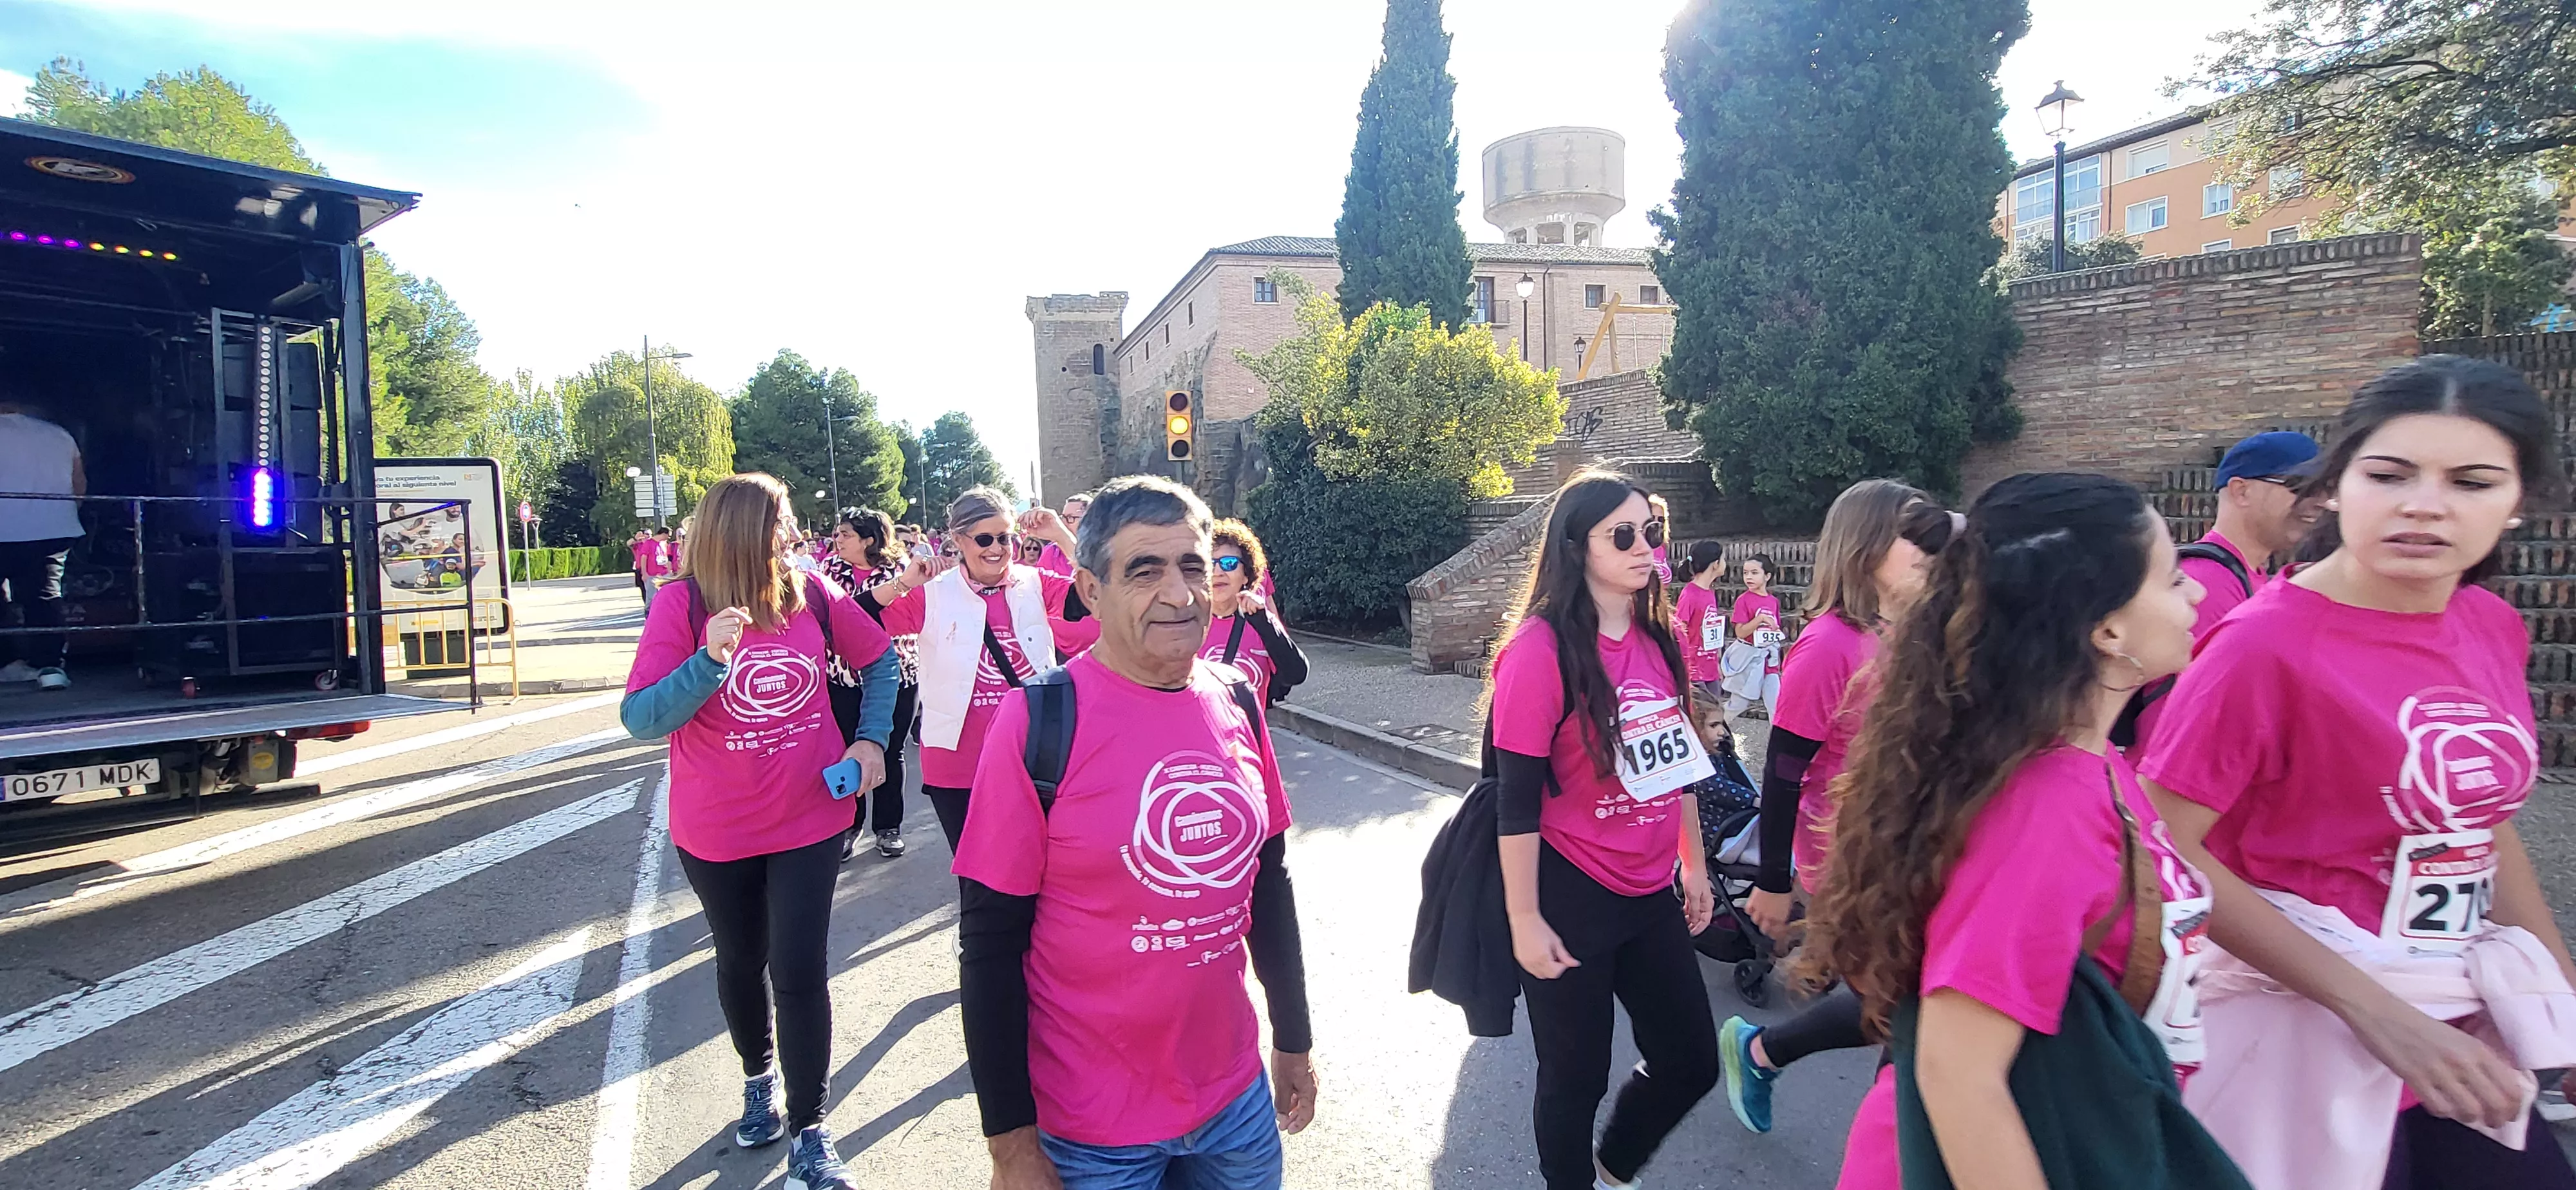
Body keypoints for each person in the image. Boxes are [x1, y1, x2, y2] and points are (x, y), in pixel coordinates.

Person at [2142, 356, 2576, 1189]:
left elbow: (2479, 824)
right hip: (2299, 1034)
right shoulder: (2263, 646)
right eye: (2390, 473)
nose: (2425, 503)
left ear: (2518, 502)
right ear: (2337, 486)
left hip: (2457, 1020)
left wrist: (2554, 995)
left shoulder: (2488, 624)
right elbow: (2164, 849)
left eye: (2472, 481)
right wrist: (2370, 1009)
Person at [1800, 471, 2232, 1190]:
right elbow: (1958, 1069)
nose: (2194, 595)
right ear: (2105, 627)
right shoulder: (2049, 804)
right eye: (2173, 576)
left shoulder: (2094, 768)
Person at [956, 475, 1317, 1189]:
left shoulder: (1237, 699)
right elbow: (990, 946)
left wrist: (1293, 1040)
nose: (1180, 594)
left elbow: (1267, 885)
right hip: (1092, 1127)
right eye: (1144, 572)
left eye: (1194, 565)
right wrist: (1011, 1148)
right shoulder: (1037, 724)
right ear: (1090, 591)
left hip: (1234, 1102)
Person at [620, 473, 902, 1190]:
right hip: (717, 828)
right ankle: (757, 1077)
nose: (795, 531)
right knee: (741, 962)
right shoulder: (682, 604)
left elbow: (881, 662)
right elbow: (643, 718)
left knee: (800, 968)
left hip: (809, 815)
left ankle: (811, 1127)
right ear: (745, 528)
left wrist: (870, 744)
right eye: (782, 520)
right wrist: (707, 663)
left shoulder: (809, 591)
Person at [1492, 470, 1720, 1190]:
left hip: (1649, 889)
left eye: (1650, 530)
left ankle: (1612, 1170)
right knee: (1575, 1079)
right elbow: (1516, 802)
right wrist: (1523, 918)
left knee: (1691, 1060)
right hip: (1569, 893)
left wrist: (1695, 866)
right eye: (1621, 535)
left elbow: (1674, 765)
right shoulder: (1537, 652)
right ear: (1575, 547)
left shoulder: (1662, 638)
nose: (1642, 546)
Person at [1721, 481, 1955, 1135]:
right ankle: (1894, 1145)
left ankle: (1764, 1054)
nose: (1926, 549)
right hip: (1847, 863)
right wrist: (1771, 882)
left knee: (1902, 1006)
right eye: (1912, 535)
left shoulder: (1900, 634)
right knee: (1909, 1009)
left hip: (1904, 849)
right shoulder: (1827, 648)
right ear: (1866, 547)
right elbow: (1782, 775)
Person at [858, 487, 1092, 854]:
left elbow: (1103, 592)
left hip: (1035, 756)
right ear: (958, 540)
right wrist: (904, 583)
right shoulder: (932, 593)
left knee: (1044, 869)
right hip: (958, 763)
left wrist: (1062, 535)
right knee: (979, 881)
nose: (997, 548)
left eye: (1005, 537)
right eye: (984, 538)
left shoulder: (1035, 582)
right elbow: (851, 622)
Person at [2122, 430, 2325, 750]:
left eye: (2325, 490)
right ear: (2241, 491)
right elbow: (2180, 733)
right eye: (2302, 487)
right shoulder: (2205, 585)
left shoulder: (2253, 578)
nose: (2319, 503)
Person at [829, 509, 916, 860]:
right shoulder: (828, 573)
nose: (837, 540)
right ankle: (851, 826)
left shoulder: (901, 571)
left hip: (897, 676)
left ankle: (888, 827)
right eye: (837, 534)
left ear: (868, 540)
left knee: (890, 753)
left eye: (845, 534)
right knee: (847, 750)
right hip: (842, 677)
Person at [0, 397, 85, 691]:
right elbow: (79, 483)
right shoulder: (59, 434)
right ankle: (49, 668)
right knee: (45, 597)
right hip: (53, 528)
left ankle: (7, 663)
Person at [1202, 518, 1309, 703]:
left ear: (1246, 575)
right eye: (1210, 563)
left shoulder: (1260, 622)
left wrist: (1264, 623)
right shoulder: (1185, 623)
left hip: (1248, 731)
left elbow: (1296, 674)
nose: (1217, 572)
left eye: (1229, 563)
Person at [1717, 553, 1786, 721]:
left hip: (1769, 662)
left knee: (1776, 706)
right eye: (1746, 573)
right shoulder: (1744, 601)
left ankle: (1775, 746)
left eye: (1754, 573)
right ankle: (1715, 731)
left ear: (1767, 576)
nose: (1749, 577)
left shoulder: (1773, 602)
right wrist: (1760, 620)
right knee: (1738, 705)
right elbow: (1740, 632)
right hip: (1749, 660)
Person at [1671, 541, 1729, 715]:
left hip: (1710, 669)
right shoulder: (1690, 595)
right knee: (1703, 720)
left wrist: (1717, 661)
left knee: (1716, 715)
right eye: (1723, 559)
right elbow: (1678, 630)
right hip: (1694, 672)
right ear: (1715, 564)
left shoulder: (1709, 593)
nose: (1725, 563)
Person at [1032, 491, 1090, 577]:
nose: (1064, 524)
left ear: (1088, 520)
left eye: (1070, 518)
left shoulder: (1100, 551)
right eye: (1063, 517)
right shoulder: (1052, 551)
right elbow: (1041, 583)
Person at [627, 530, 654, 606]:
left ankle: (651, 605)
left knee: (651, 590)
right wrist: (635, 538)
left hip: (650, 570)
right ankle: (647, 605)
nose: (649, 536)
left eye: (650, 534)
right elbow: (629, 544)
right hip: (640, 569)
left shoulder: (653, 544)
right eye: (647, 534)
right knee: (643, 589)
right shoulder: (639, 545)